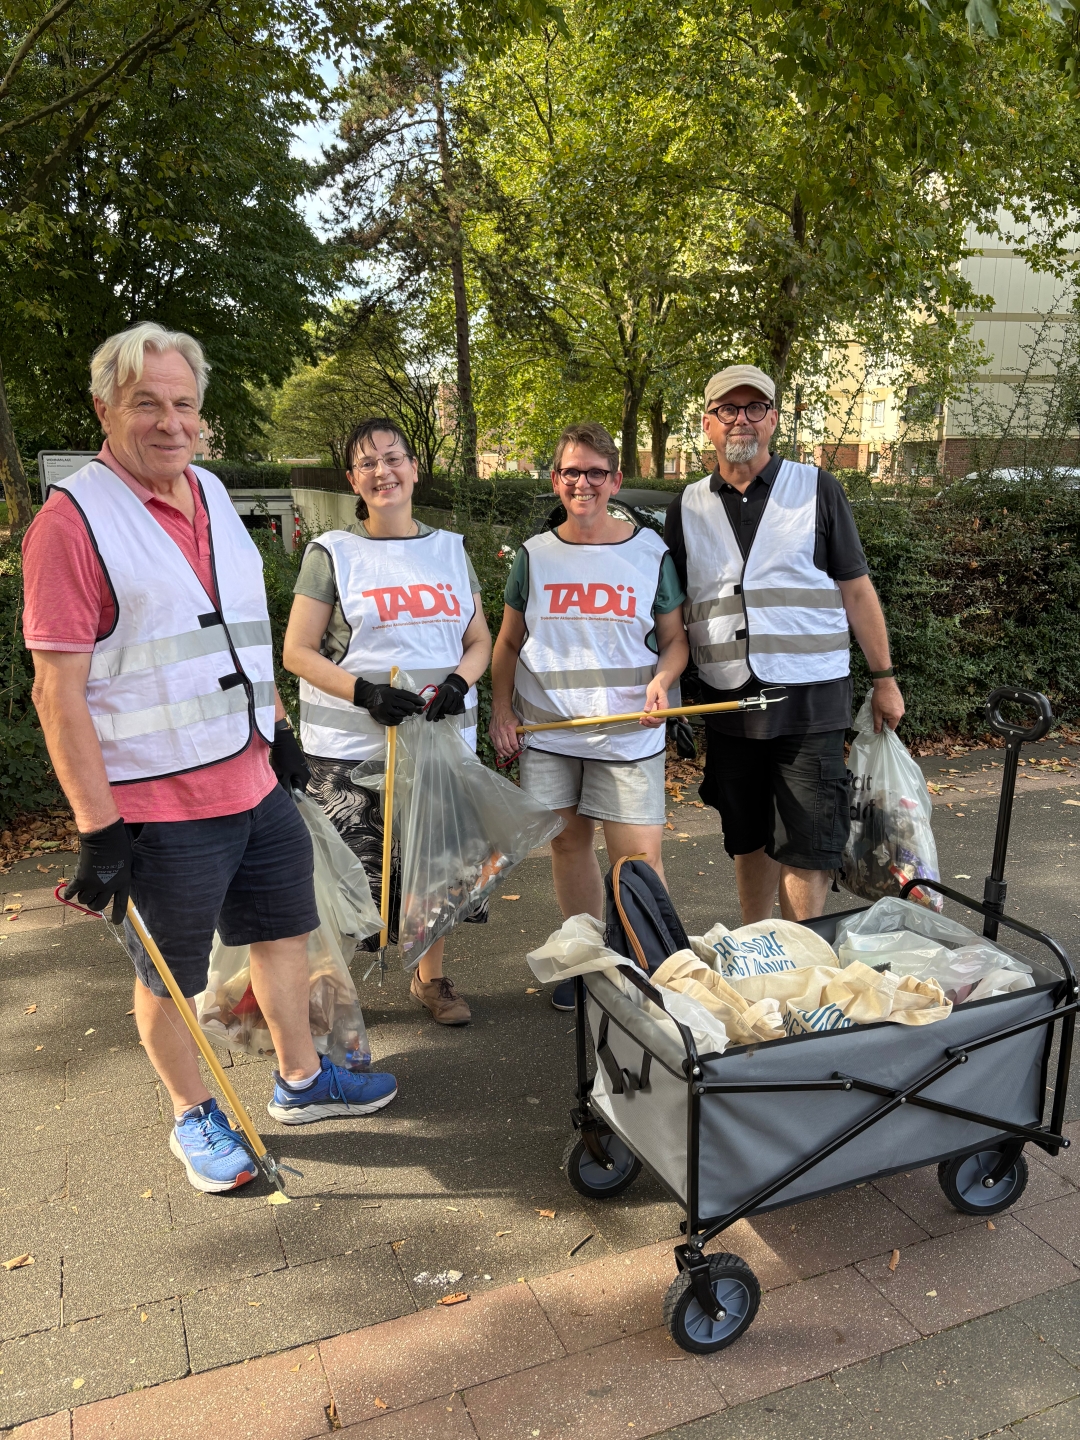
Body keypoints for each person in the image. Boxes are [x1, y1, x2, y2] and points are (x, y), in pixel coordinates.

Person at [22, 322, 398, 1193]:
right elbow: (56, 693)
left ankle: (303, 1083)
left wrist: (277, 731)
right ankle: (194, 1116)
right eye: (145, 402)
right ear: (104, 409)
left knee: (283, 936)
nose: (169, 421)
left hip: (250, 775)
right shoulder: (71, 523)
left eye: (183, 404)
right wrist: (96, 831)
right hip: (153, 806)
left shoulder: (215, 495)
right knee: (170, 977)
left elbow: (233, 634)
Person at [664, 364, 905, 924]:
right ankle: (758, 945)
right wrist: (667, 686)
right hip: (730, 702)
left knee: (808, 839)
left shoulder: (817, 487)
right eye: (729, 409)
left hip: (810, 700)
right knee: (745, 834)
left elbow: (856, 589)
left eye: (754, 408)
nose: (741, 419)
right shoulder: (688, 505)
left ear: (773, 419)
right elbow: (672, 609)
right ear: (708, 424)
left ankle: (802, 962)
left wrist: (884, 678)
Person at [282, 418, 492, 1025]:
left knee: (434, 867)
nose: (383, 471)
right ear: (353, 479)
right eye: (367, 463)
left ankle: (431, 980)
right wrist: (364, 692)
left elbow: (478, 640)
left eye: (393, 458)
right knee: (350, 873)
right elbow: (297, 650)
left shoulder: (450, 549)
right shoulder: (333, 553)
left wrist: (460, 680)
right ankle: (329, 990)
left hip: (441, 745)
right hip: (351, 752)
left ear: (414, 468)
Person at [489, 421, 688, 1010]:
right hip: (551, 733)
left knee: (640, 861)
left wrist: (662, 682)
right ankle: (587, 964)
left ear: (615, 480)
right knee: (568, 848)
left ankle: (648, 970)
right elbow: (505, 644)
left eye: (595, 472)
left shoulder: (650, 552)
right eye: (571, 472)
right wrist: (502, 710)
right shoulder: (534, 556)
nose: (583, 483)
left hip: (630, 735)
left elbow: (676, 641)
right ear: (555, 480)